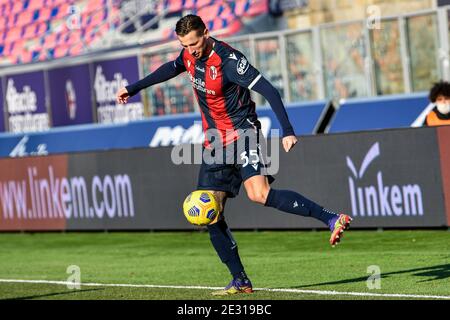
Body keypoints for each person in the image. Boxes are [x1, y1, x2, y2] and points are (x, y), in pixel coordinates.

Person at [116, 14, 352, 296]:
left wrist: (287, 130)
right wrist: (133, 88)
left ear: (206, 31)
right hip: (215, 141)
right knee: (209, 212)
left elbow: (269, 90)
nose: (191, 50)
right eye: (185, 45)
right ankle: (240, 280)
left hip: (243, 133)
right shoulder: (188, 56)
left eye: (194, 43)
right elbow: (169, 68)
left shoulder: (228, 61)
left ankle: (330, 218)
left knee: (259, 194)